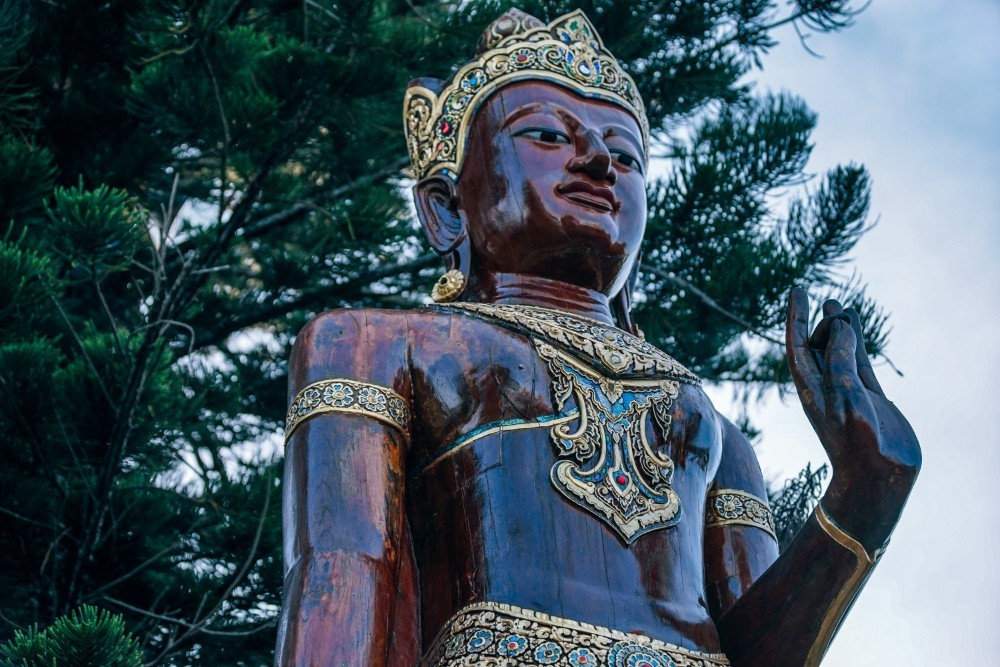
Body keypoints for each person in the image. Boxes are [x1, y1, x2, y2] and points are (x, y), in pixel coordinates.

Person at [275, 9, 920, 666]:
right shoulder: (372, 347)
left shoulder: (717, 436)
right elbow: (343, 571)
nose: (597, 161)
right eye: (548, 135)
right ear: (444, 206)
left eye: (625, 154)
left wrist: (865, 499)